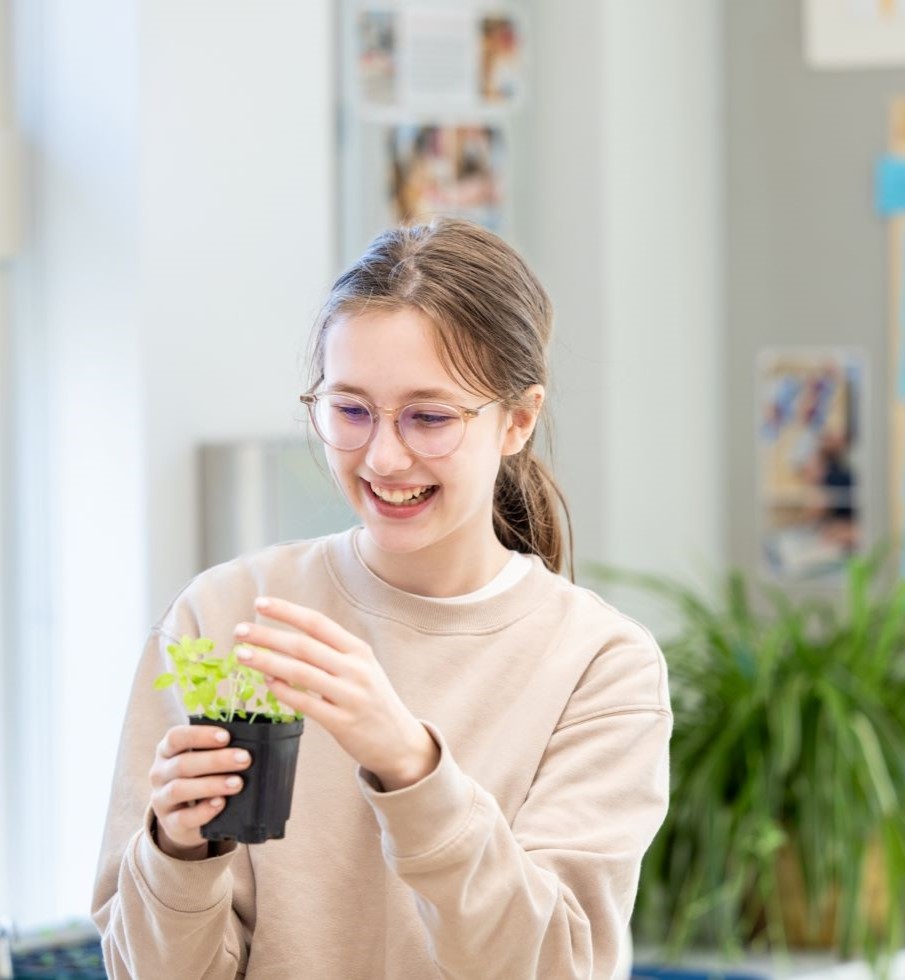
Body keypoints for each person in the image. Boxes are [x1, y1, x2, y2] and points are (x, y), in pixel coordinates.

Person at [92, 218, 672, 979]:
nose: (385, 456)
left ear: (518, 420)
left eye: (429, 417)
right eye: (351, 410)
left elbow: (556, 966)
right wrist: (179, 851)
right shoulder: (224, 615)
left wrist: (409, 763)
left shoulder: (599, 665)